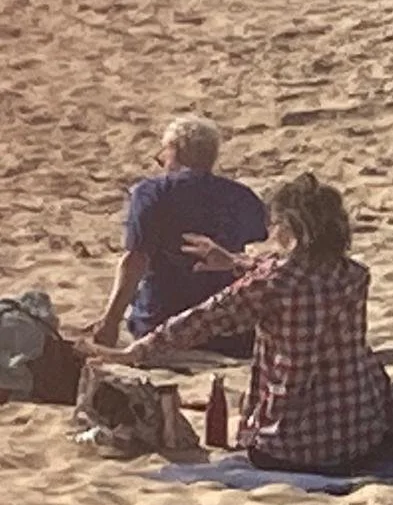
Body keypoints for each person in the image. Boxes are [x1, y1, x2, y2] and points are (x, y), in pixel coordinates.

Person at [80, 173, 393, 475]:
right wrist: (235, 262)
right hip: (360, 435)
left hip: (286, 447)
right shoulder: (355, 276)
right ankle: (380, 437)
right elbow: (299, 273)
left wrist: (138, 350)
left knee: (258, 428)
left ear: (291, 229)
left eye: (275, 224)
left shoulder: (270, 284)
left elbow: (203, 319)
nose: (270, 230)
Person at [90, 116, 268, 359]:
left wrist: (110, 322)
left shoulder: (151, 192)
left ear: (176, 150)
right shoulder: (242, 196)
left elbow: (135, 261)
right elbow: (258, 255)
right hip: (230, 332)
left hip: (160, 325)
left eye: (164, 154)